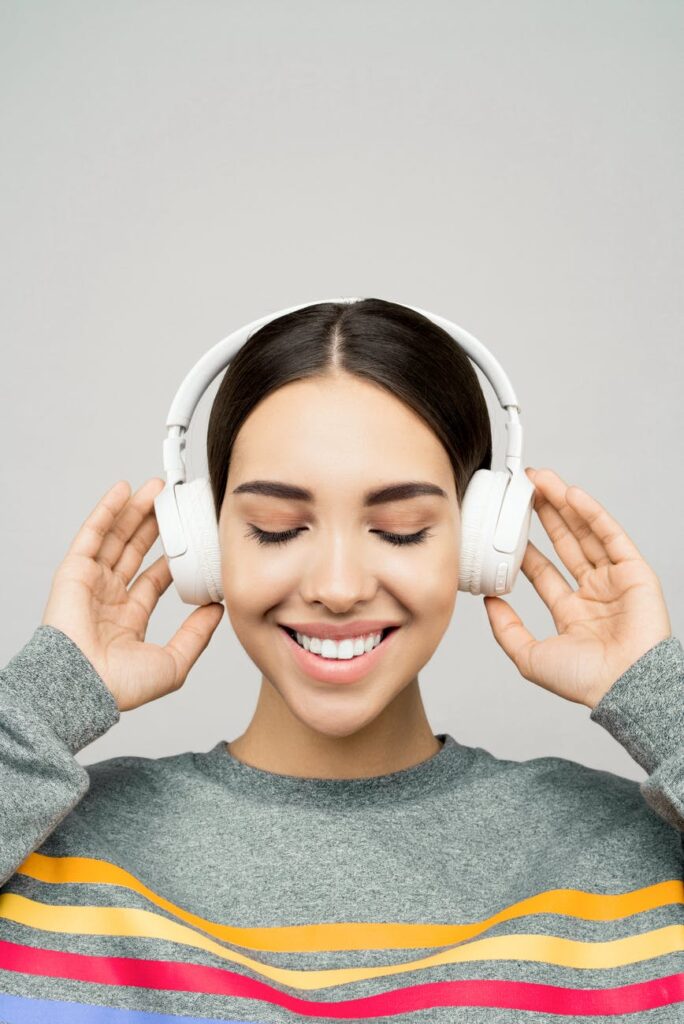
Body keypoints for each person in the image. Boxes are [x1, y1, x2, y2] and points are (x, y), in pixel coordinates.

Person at [0, 298, 681, 1022]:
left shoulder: (623, 856)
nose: (337, 587)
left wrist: (663, 701)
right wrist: (47, 698)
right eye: (276, 528)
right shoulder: (53, 847)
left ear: (481, 541)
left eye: (401, 530)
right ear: (203, 543)